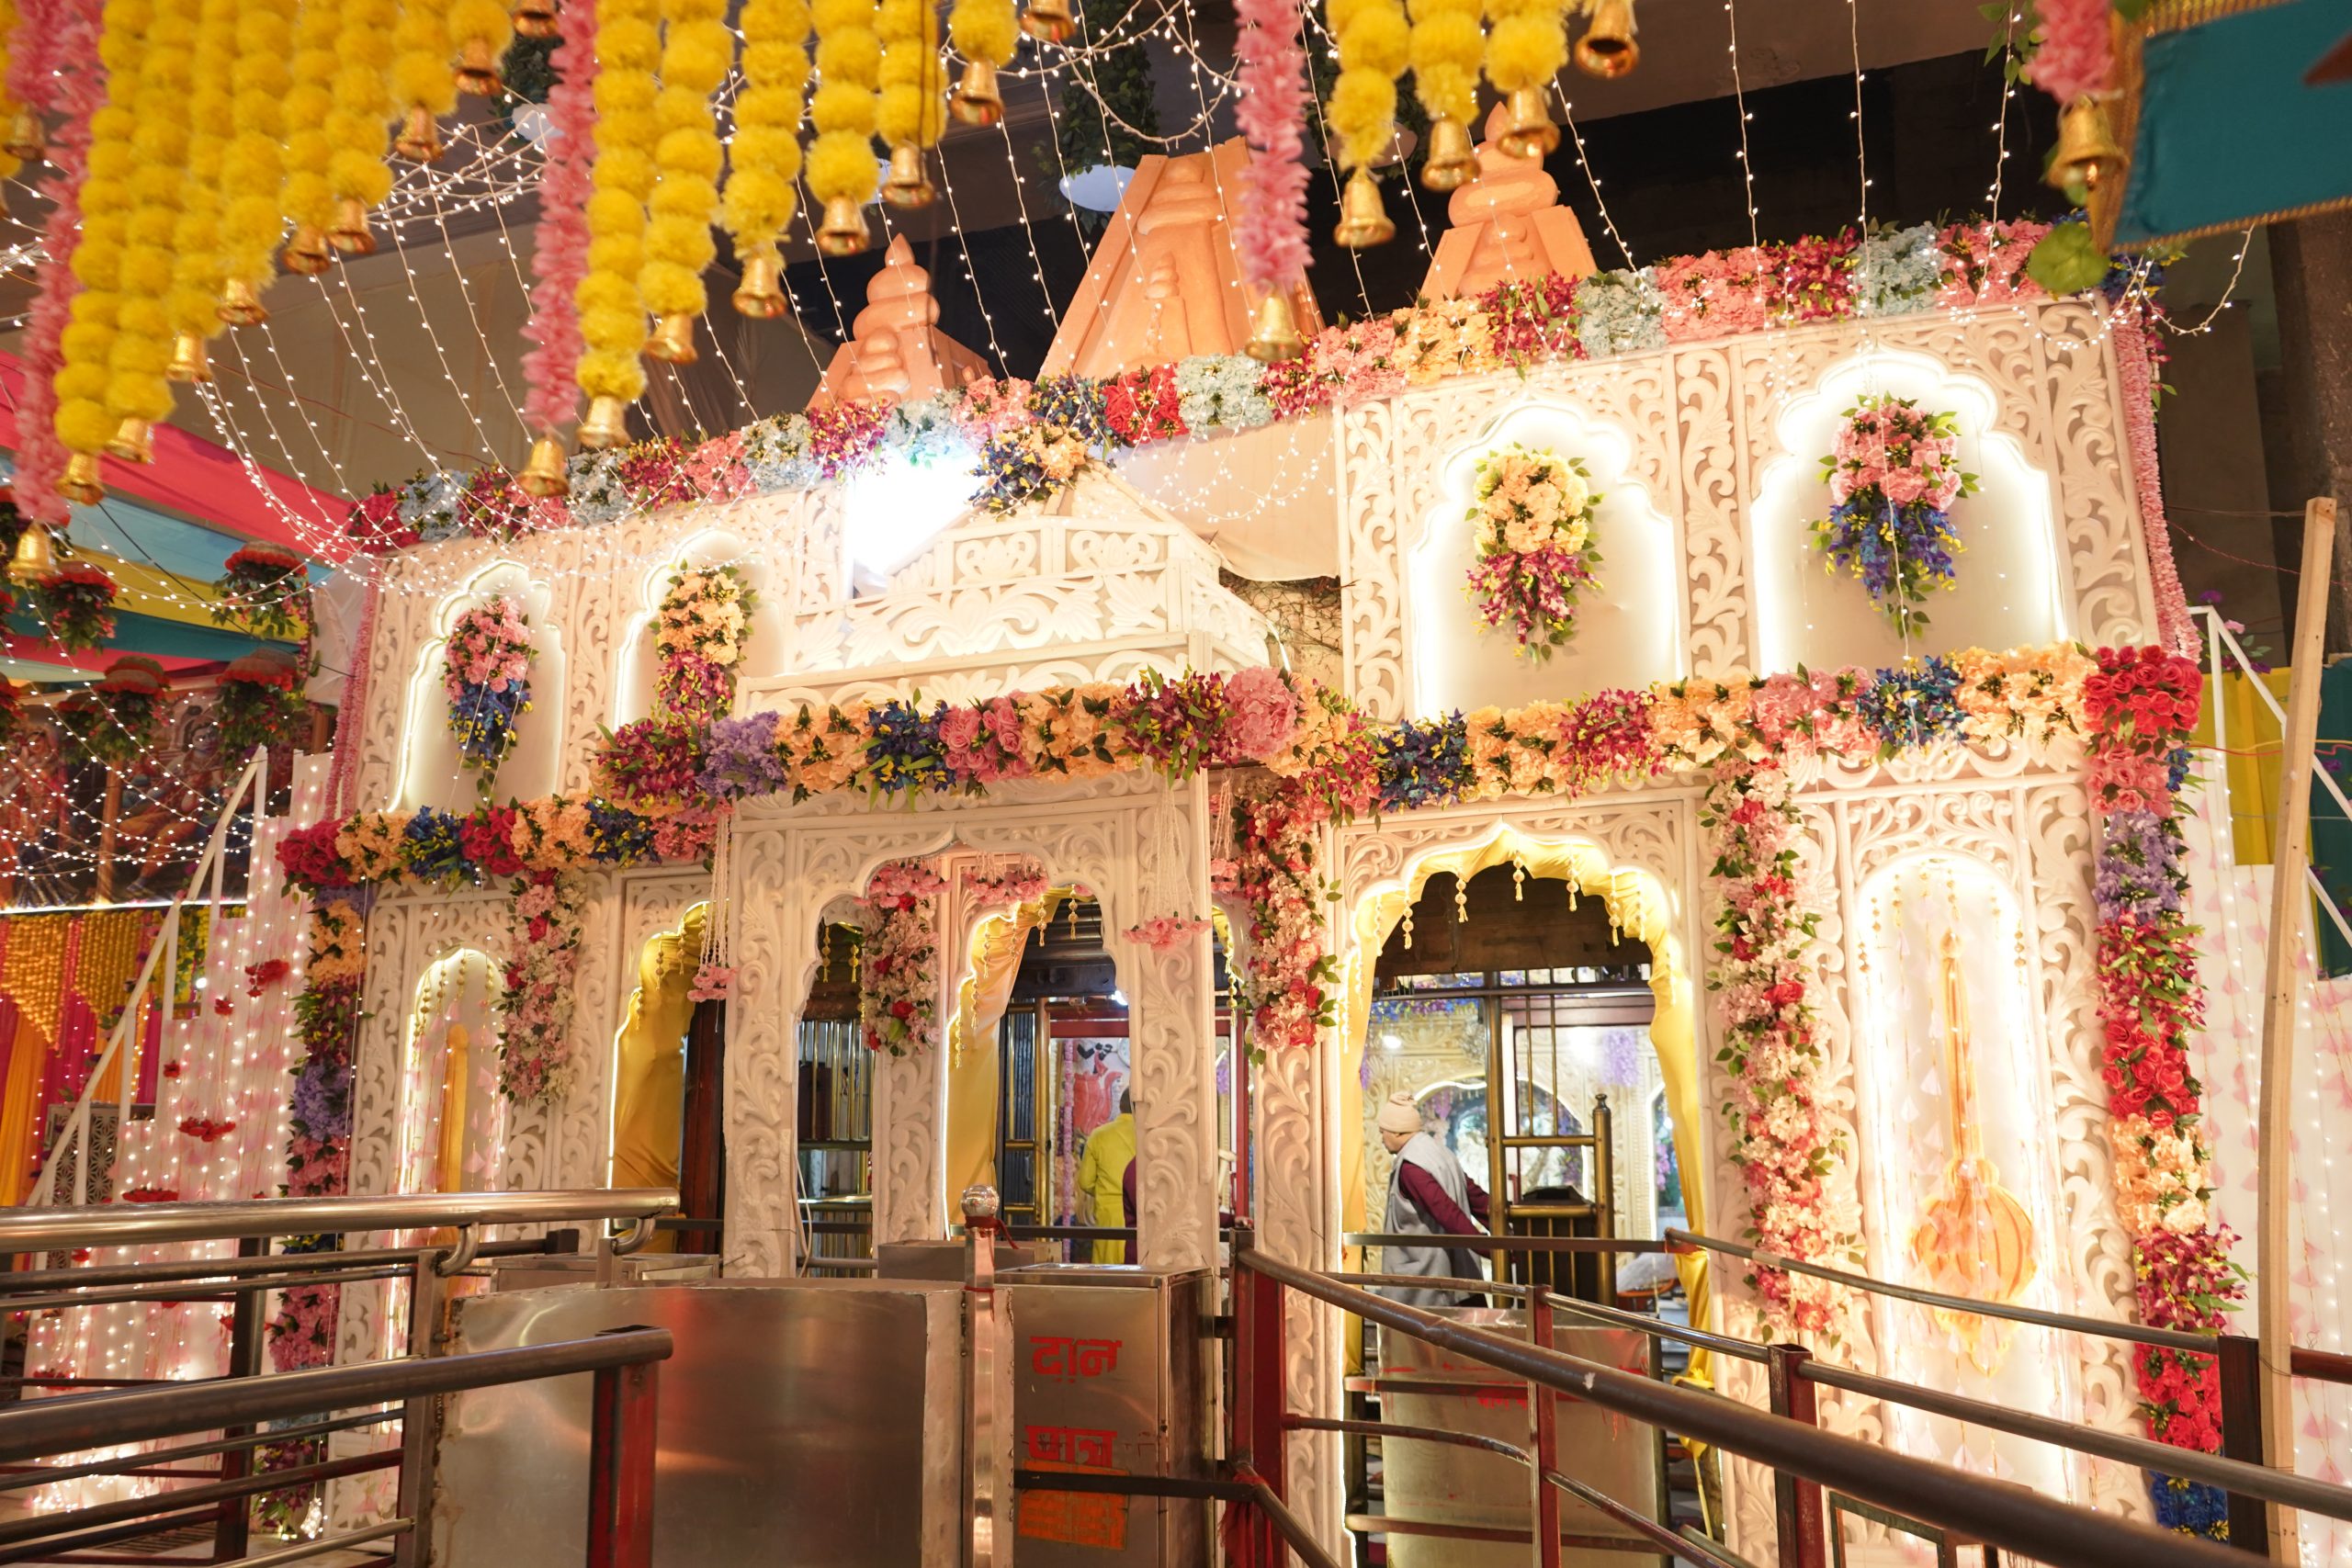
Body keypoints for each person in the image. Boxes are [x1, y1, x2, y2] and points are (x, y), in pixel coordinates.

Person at [1375, 1091, 1491, 1306]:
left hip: (1431, 1284)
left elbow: (1448, 1213)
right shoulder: (1440, 1152)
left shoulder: (1412, 1167)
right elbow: (1475, 1197)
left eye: (1383, 1132)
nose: (1381, 1138)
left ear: (1397, 1131)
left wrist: (1494, 1250)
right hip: (1461, 1279)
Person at [1075, 1089, 1136, 1264]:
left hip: (1108, 1215)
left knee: (1109, 1273)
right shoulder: (1149, 1135)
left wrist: (1106, 1191)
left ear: (1120, 1106)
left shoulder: (1099, 1135)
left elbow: (1085, 1182)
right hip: (1140, 1215)